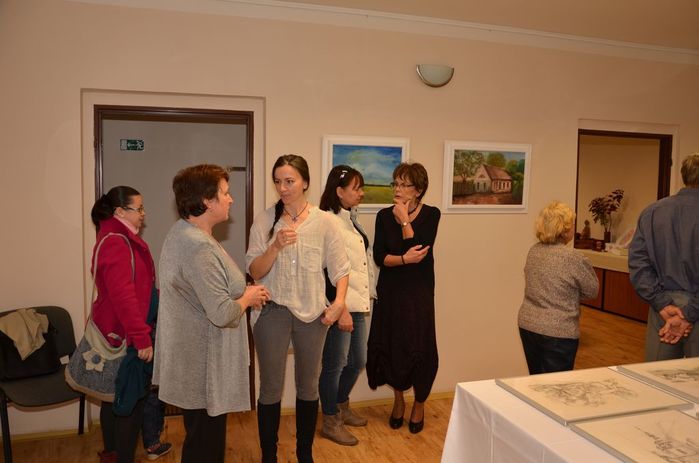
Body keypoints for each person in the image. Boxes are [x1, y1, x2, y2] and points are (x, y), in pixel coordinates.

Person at [153, 164, 270, 463]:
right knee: (205, 448)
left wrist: (242, 294)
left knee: (201, 443)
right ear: (207, 200)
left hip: (196, 360)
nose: (231, 199)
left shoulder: (184, 233)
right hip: (204, 367)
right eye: (225, 193)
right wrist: (247, 297)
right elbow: (221, 313)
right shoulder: (198, 247)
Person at [246, 154, 350, 463]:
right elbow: (255, 271)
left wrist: (339, 302)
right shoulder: (265, 221)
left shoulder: (325, 222)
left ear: (305, 182)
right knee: (270, 387)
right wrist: (275, 246)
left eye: (289, 181)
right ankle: (269, 455)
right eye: (278, 181)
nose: (283, 188)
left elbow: (341, 270)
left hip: (312, 313)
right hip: (272, 311)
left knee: (308, 386)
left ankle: (305, 453)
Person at [366, 162, 440, 434]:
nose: (397, 189)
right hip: (391, 292)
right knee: (393, 345)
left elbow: (419, 251)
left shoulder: (432, 214)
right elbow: (379, 257)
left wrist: (405, 221)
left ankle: (419, 403)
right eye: (395, 184)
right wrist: (403, 259)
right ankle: (398, 400)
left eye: (404, 185)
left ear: (418, 190)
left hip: (418, 293)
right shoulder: (383, 216)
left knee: (419, 346)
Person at [90, 186, 158, 463]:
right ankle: (121, 457)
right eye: (138, 208)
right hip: (126, 336)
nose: (143, 213)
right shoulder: (117, 242)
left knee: (113, 397)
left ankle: (112, 454)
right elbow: (124, 297)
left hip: (123, 333)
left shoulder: (118, 238)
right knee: (130, 401)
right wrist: (141, 337)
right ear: (120, 211)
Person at [317, 165, 376, 446]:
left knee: (358, 361)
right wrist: (339, 308)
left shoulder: (350, 219)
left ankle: (341, 405)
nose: (361, 193)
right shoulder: (327, 222)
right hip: (339, 306)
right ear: (339, 192)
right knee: (335, 364)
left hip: (357, 302)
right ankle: (331, 420)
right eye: (356, 188)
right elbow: (325, 270)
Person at [629, 153, 699, 360]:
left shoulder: (652, 212)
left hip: (663, 310)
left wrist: (662, 304)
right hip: (691, 308)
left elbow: (638, 264)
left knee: (657, 375)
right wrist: (688, 314)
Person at [517, 201, 599, 375]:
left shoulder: (534, 251)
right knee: (555, 386)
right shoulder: (573, 257)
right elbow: (592, 291)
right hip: (558, 331)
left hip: (528, 325)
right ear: (565, 229)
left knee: (535, 381)